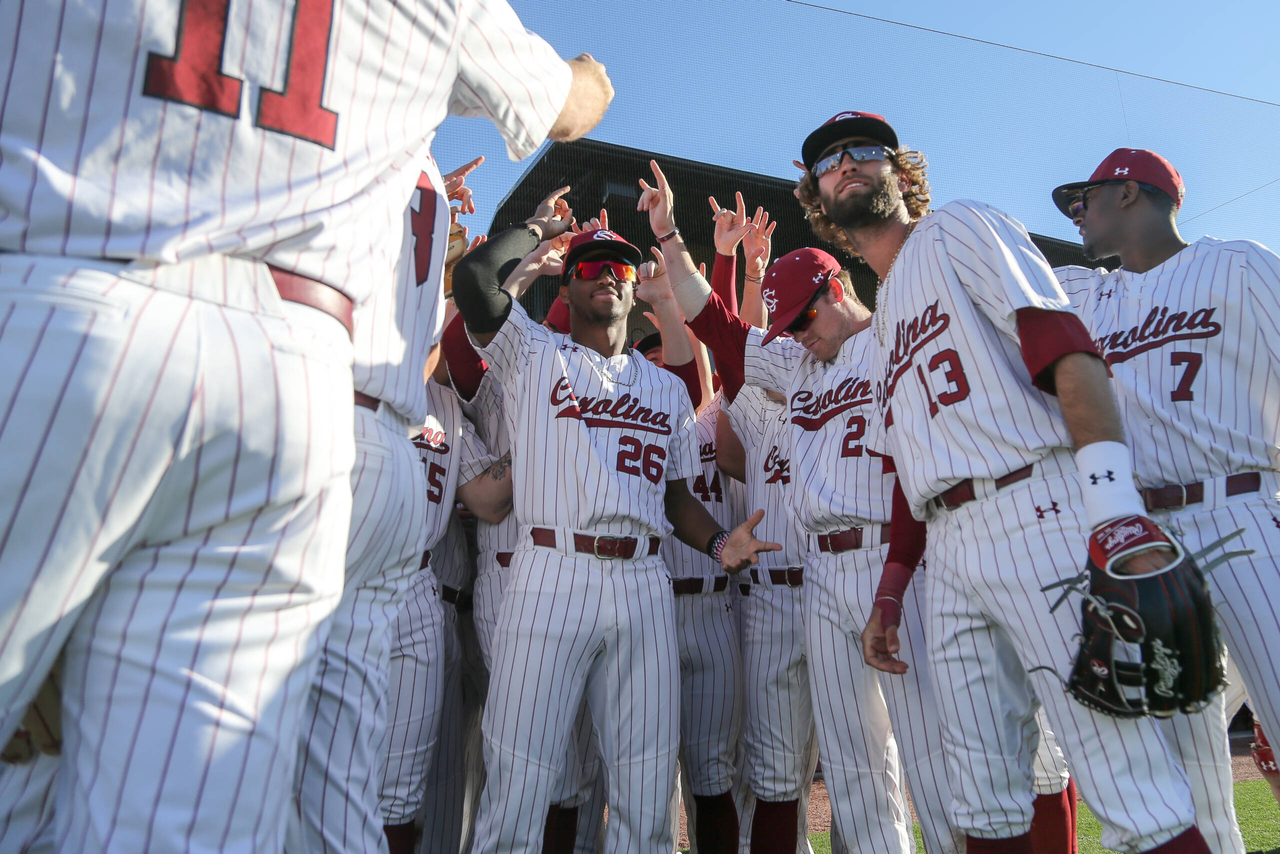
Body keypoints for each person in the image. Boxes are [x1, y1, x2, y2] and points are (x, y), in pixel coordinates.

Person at [0, 0, 613, 848]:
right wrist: (591, 75)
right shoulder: (413, 128)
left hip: (67, 322)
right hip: (295, 390)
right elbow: (573, 103)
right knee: (206, 805)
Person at [776, 109, 1211, 852]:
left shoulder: (960, 228)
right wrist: (890, 590)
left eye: (864, 151)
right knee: (979, 801)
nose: (846, 163)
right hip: (946, 550)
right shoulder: (880, 326)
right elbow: (912, 469)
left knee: (1128, 781)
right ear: (818, 197)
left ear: (902, 172)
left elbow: (1066, 351)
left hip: (1035, 509)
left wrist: (1112, 508)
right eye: (827, 161)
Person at [638, 159, 966, 854]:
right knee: (850, 769)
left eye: (804, 314)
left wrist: (900, 572)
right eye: (785, 323)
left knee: (932, 762)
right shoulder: (796, 364)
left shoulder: (892, 337)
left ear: (837, 286)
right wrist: (672, 240)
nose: (796, 331)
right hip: (819, 575)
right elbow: (721, 329)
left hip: (894, 560)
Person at [450, 189, 780, 854]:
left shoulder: (664, 389)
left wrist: (719, 542)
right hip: (550, 574)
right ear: (567, 289)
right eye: (595, 267)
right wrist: (540, 229)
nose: (610, 275)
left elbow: (675, 496)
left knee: (644, 785)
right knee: (517, 782)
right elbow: (475, 282)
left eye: (623, 269)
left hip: (642, 583)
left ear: (636, 292)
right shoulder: (534, 353)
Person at [1053, 146, 1280, 821]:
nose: (1075, 212)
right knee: (1189, 776)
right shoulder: (1091, 294)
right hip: (1148, 540)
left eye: (1084, 197)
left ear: (1131, 193)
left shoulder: (1239, 265)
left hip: (1246, 511)